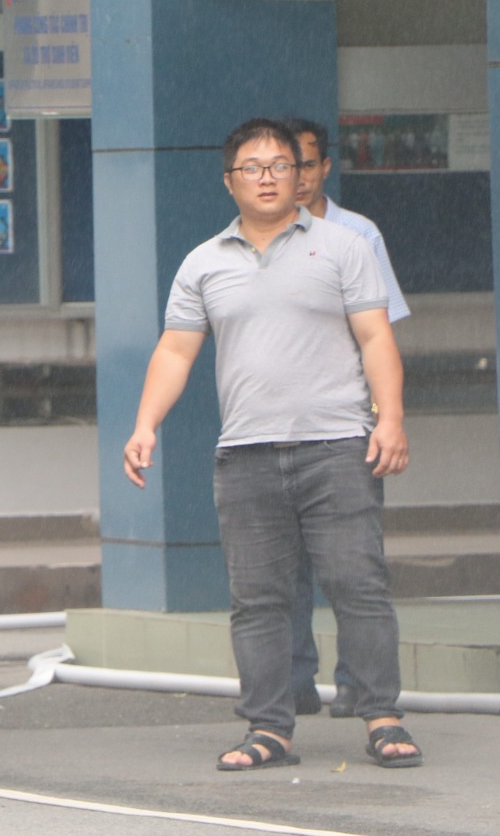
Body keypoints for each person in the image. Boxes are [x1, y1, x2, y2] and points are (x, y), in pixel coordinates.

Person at [121, 118, 423, 771]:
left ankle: (382, 716)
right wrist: (145, 425)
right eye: (252, 167)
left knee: (356, 584)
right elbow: (176, 350)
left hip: (339, 444)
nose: (266, 176)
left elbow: (377, 339)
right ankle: (268, 729)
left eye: (280, 165)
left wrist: (390, 419)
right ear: (230, 180)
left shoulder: (345, 246)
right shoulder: (204, 262)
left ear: (302, 175)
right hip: (247, 453)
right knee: (258, 597)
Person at [284, 116, 410, 719]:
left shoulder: (358, 235)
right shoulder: (250, 235)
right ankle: (292, 685)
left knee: (353, 564)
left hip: (348, 423)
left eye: (306, 164)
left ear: (325, 167)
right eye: (285, 165)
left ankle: (359, 686)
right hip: (277, 424)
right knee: (281, 569)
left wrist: (388, 417)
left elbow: (380, 336)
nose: (296, 177)